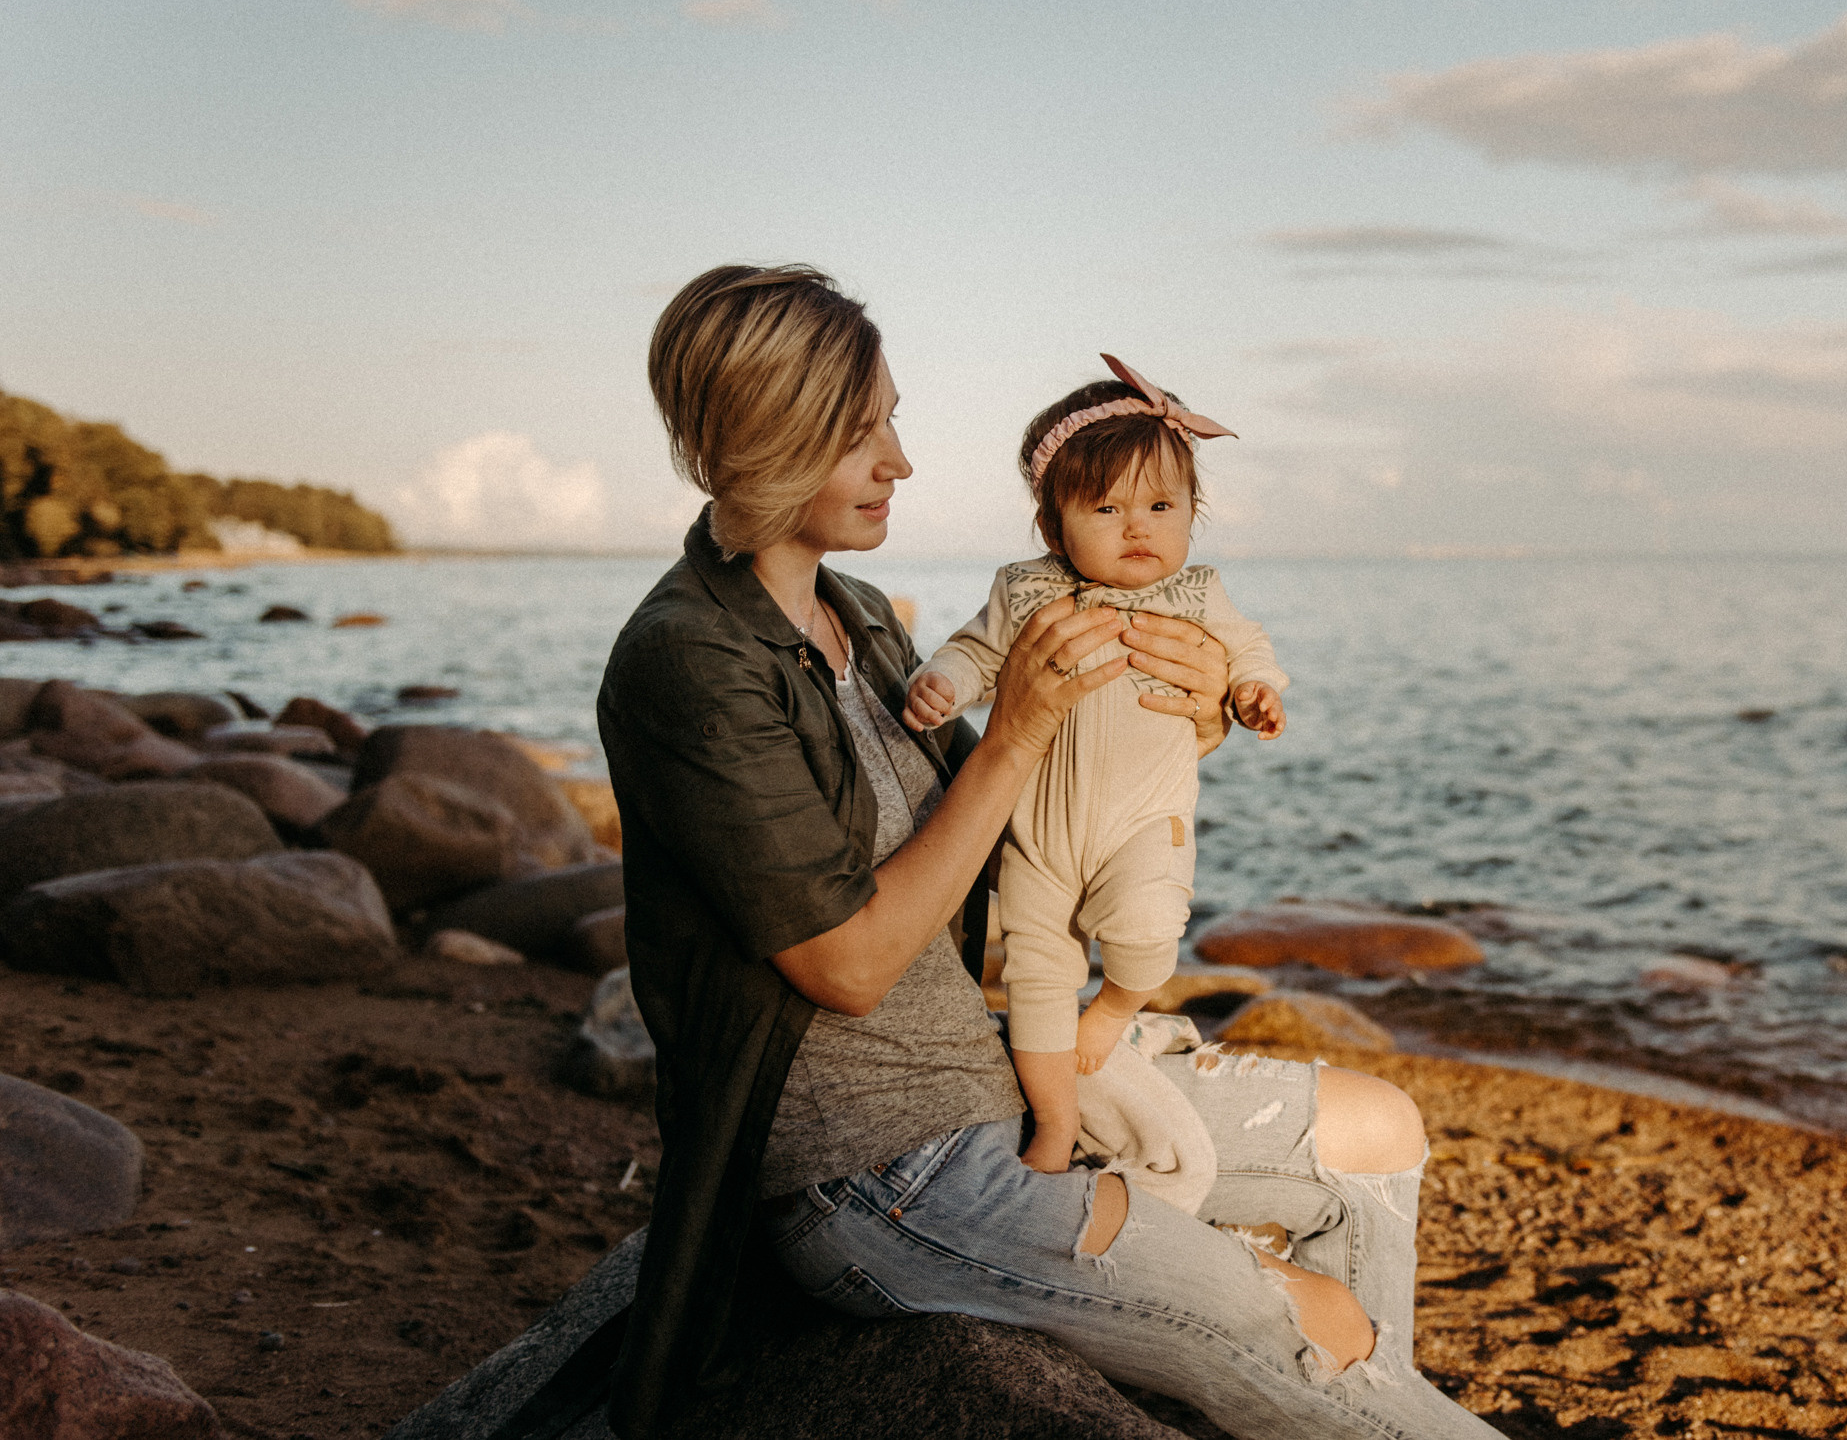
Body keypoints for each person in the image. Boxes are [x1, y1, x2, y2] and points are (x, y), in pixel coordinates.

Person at [598, 263, 1503, 1438]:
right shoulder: (689, 659)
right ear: (767, 436)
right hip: (880, 1172)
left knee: (1378, 1132)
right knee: (1312, 1327)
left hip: (996, 1075)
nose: (900, 462)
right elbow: (847, 964)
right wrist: (1020, 724)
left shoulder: (858, 617)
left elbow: (1006, 829)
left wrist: (1188, 718)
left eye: (892, 422)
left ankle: (1361, 1409)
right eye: (861, 433)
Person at [901, 355, 1289, 1174]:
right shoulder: (1025, 591)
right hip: (1038, 838)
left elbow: (1248, 648)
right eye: (1106, 508)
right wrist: (944, 681)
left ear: (1191, 514)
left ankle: (1114, 1008)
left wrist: (1253, 691)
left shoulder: (1197, 595)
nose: (1137, 527)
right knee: (1037, 983)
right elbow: (975, 651)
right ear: (1053, 529)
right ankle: (1054, 1123)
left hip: (1145, 820)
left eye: (1160, 506)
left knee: (1149, 930)